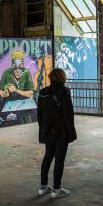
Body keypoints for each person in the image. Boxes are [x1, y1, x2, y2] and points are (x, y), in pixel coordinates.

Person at [37, 68, 76, 199]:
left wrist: (43, 129)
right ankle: (57, 189)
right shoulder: (64, 91)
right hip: (61, 131)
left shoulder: (43, 92)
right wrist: (71, 133)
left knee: (48, 156)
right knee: (59, 159)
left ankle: (43, 187)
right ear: (62, 78)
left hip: (47, 130)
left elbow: (40, 114)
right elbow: (68, 114)